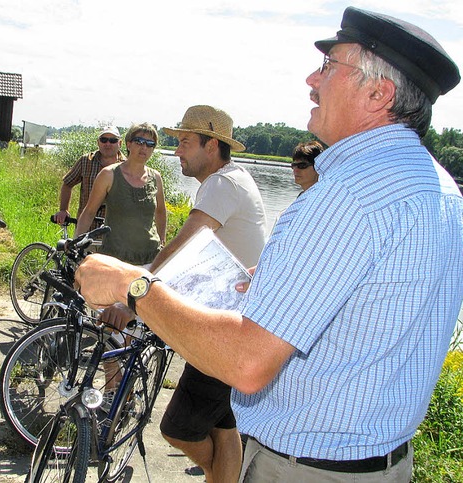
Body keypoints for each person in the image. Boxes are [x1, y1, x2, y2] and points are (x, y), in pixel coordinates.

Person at [74, 7, 462, 482]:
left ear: (378, 92)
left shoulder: (347, 196)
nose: (310, 79)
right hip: (382, 462)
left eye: (328, 66)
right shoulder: (437, 186)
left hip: (307, 469)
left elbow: (248, 363)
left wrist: (133, 285)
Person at [152, 105, 267, 483]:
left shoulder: (222, 184)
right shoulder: (232, 178)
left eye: (185, 142)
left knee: (178, 428)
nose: (177, 151)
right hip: (239, 319)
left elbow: (185, 246)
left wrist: (136, 287)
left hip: (228, 330)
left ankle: (213, 472)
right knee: (222, 421)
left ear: (212, 144)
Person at [74, 122, 166, 266]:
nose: (144, 148)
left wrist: (162, 240)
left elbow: (160, 212)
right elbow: (89, 212)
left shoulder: (156, 178)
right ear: (128, 144)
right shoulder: (108, 175)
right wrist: (76, 242)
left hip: (149, 258)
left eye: (150, 144)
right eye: (139, 142)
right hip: (115, 259)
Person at [53, 125, 126, 229]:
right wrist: (63, 210)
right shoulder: (86, 161)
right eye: (103, 140)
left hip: (116, 231)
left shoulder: (127, 166)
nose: (108, 144)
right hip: (86, 229)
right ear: (98, 142)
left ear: (120, 143)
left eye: (113, 140)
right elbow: (67, 183)